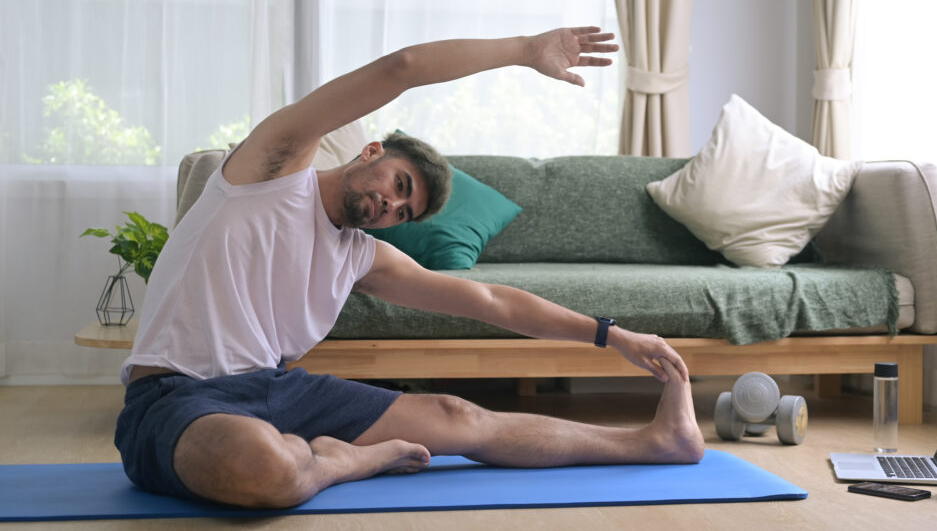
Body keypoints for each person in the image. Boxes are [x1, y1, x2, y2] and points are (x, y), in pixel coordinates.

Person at [115, 27, 704, 509]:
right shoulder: (267, 173)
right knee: (265, 466)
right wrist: (524, 51)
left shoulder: (359, 255)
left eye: (405, 210)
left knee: (457, 415)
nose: (391, 205)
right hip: (178, 396)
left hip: (276, 392)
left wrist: (612, 334)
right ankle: (344, 460)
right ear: (371, 153)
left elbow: (492, 302)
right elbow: (402, 66)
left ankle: (655, 441)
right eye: (398, 184)